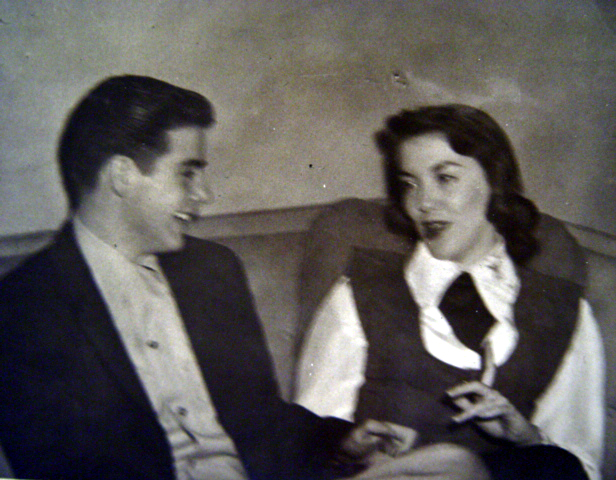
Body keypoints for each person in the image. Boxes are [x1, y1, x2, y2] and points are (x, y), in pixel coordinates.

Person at [0, 77, 488, 480]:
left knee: (462, 465)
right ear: (123, 176)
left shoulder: (210, 269)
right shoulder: (24, 308)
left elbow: (260, 414)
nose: (205, 195)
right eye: (187, 173)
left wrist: (342, 440)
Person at [295, 105, 606, 480]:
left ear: (495, 182)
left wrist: (526, 437)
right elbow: (305, 440)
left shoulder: (564, 313)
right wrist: (351, 448)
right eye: (409, 184)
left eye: (444, 178)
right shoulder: (361, 293)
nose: (422, 203)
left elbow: (579, 468)